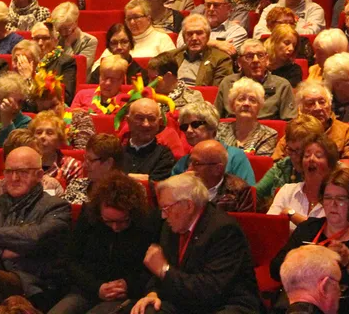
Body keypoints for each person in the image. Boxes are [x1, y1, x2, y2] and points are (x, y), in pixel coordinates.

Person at [0, 146, 72, 314]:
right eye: (9, 172)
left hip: (33, 285)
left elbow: (34, 238)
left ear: (39, 175)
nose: (14, 178)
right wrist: (2, 254)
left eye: (23, 172)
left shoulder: (56, 207)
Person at [131, 171, 259, 314]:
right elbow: (158, 272)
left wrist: (164, 270)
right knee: (147, 310)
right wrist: (152, 294)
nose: (163, 215)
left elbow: (210, 288)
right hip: (185, 298)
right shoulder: (171, 225)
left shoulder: (223, 230)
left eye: (166, 208)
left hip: (225, 303)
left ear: (188, 206)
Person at [270, 168, 349, 314]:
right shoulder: (308, 229)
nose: (332, 204)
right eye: (327, 198)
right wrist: (302, 257)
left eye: (340, 199)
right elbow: (275, 269)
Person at [51, 172, 155, 314]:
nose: (115, 227)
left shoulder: (147, 222)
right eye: (108, 221)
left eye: (122, 221)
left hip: (126, 294)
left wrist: (128, 285)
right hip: (87, 289)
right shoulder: (88, 215)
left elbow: (151, 271)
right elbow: (70, 260)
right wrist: (97, 287)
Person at [269, 133, 338, 230]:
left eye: (318, 156)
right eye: (307, 155)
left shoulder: (337, 198)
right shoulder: (287, 191)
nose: (311, 159)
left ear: (330, 165)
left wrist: (292, 215)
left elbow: (328, 231)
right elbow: (270, 226)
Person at [215, 39, 295, 121]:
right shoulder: (227, 83)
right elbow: (215, 119)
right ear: (239, 62)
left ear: (267, 60)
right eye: (249, 56)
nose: (255, 60)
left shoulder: (282, 86)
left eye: (260, 55)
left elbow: (290, 122)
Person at [60, 134, 124, 205]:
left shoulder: (124, 195)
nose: (84, 165)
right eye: (85, 158)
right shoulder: (76, 185)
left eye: (90, 160)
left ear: (108, 163)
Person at [122, 98, 176, 181]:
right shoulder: (116, 151)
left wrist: (123, 177)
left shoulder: (165, 155)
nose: (146, 124)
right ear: (128, 121)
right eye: (139, 118)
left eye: (151, 119)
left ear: (159, 122)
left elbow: (155, 186)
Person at [173, 14, 234, 87]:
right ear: (183, 37)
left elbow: (216, 92)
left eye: (199, 33)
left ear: (208, 36)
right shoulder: (174, 55)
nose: (194, 38)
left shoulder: (221, 59)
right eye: (189, 34)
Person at [30, 112, 83, 189]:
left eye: (49, 133)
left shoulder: (72, 166)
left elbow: (75, 199)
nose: (42, 136)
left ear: (59, 140)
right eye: (39, 132)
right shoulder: (24, 164)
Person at [50, 1, 98, 72]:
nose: (63, 33)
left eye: (66, 28)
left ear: (76, 22)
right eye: (60, 28)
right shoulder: (55, 38)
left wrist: (68, 46)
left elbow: (76, 69)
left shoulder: (90, 41)